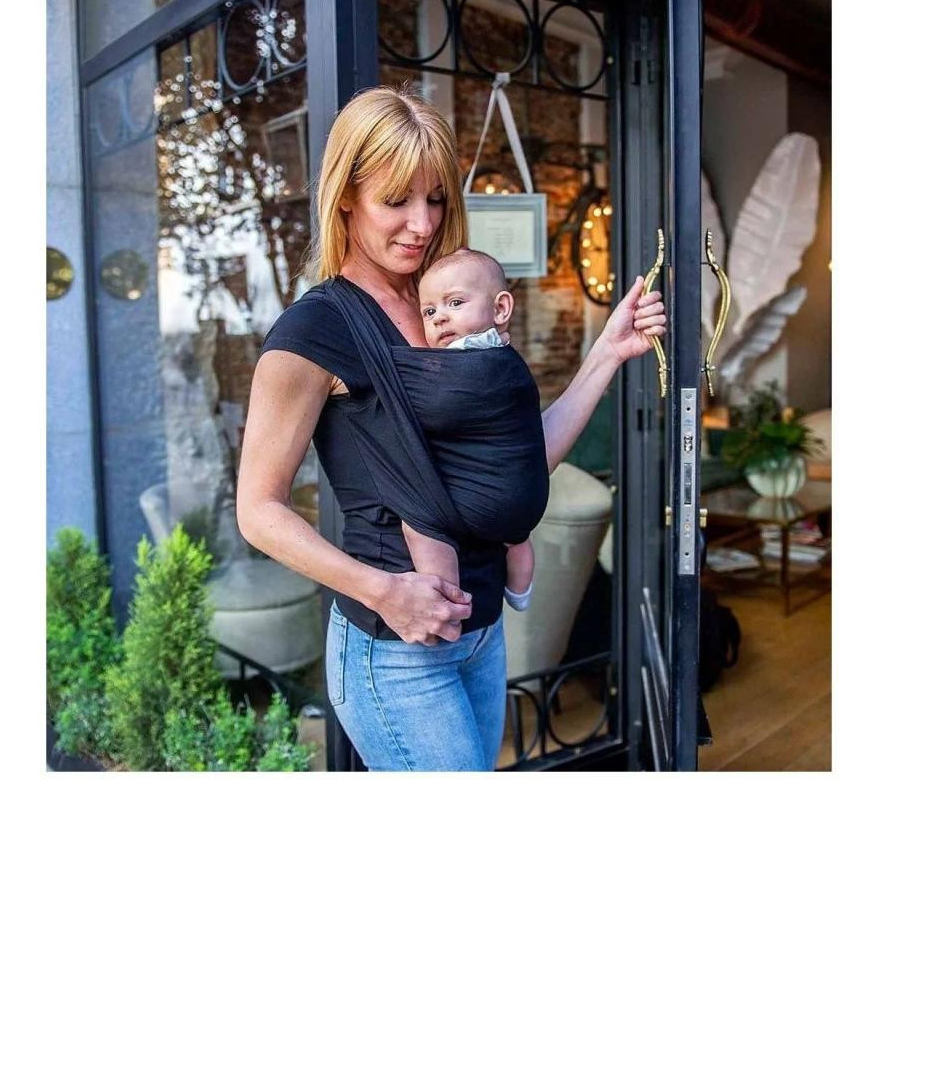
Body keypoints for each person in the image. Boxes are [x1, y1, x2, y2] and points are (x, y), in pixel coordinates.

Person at [236, 85, 666, 772]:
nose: (421, 223)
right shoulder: (313, 331)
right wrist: (383, 591)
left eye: (435, 199)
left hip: (481, 633)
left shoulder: (448, 303)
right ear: (346, 197)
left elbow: (516, 460)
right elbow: (258, 511)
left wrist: (607, 355)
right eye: (395, 200)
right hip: (394, 650)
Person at [400, 245, 539, 615]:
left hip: (479, 503)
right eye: (429, 311)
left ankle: (446, 599)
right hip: (522, 500)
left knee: (419, 524)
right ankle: (521, 592)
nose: (440, 318)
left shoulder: (468, 357)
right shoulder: (501, 351)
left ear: (501, 309)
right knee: (517, 540)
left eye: (455, 303)